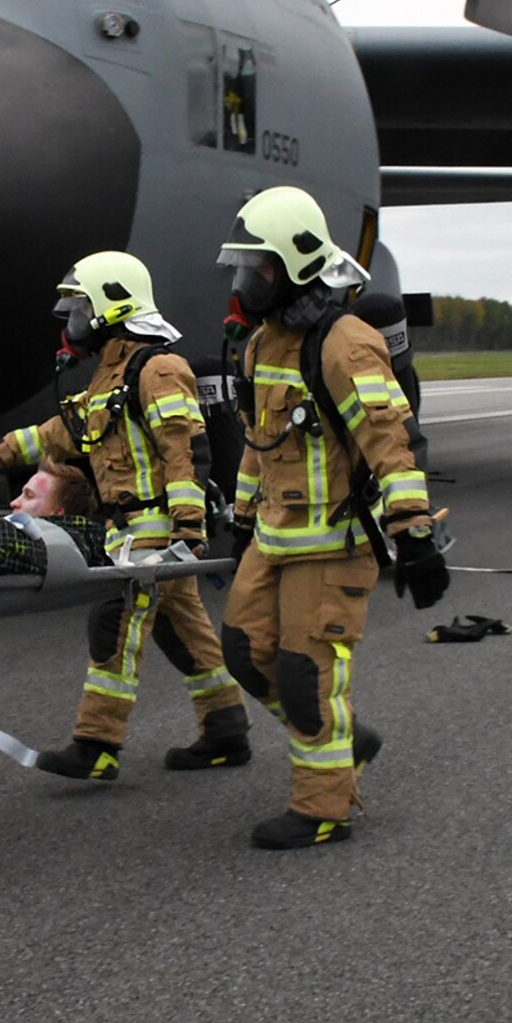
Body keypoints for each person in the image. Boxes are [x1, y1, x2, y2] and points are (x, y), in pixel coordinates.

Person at [216, 186, 448, 850]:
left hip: (334, 543)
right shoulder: (263, 347)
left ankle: (324, 806)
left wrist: (416, 533)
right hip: (274, 538)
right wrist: (239, 520)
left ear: (293, 266)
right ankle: (342, 740)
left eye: (256, 269)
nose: (244, 282)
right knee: (242, 649)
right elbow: (260, 446)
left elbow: (390, 442)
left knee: (303, 673)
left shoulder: (344, 344)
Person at [0, 251, 249, 781]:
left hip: (153, 534)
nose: (71, 321)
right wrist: (2, 450)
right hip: (130, 531)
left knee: (113, 627)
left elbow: (185, 453)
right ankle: (226, 730)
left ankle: (96, 745)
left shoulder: (159, 368)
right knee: (184, 633)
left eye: (79, 308)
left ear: (112, 307)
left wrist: (188, 528)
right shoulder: (109, 379)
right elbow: (64, 430)